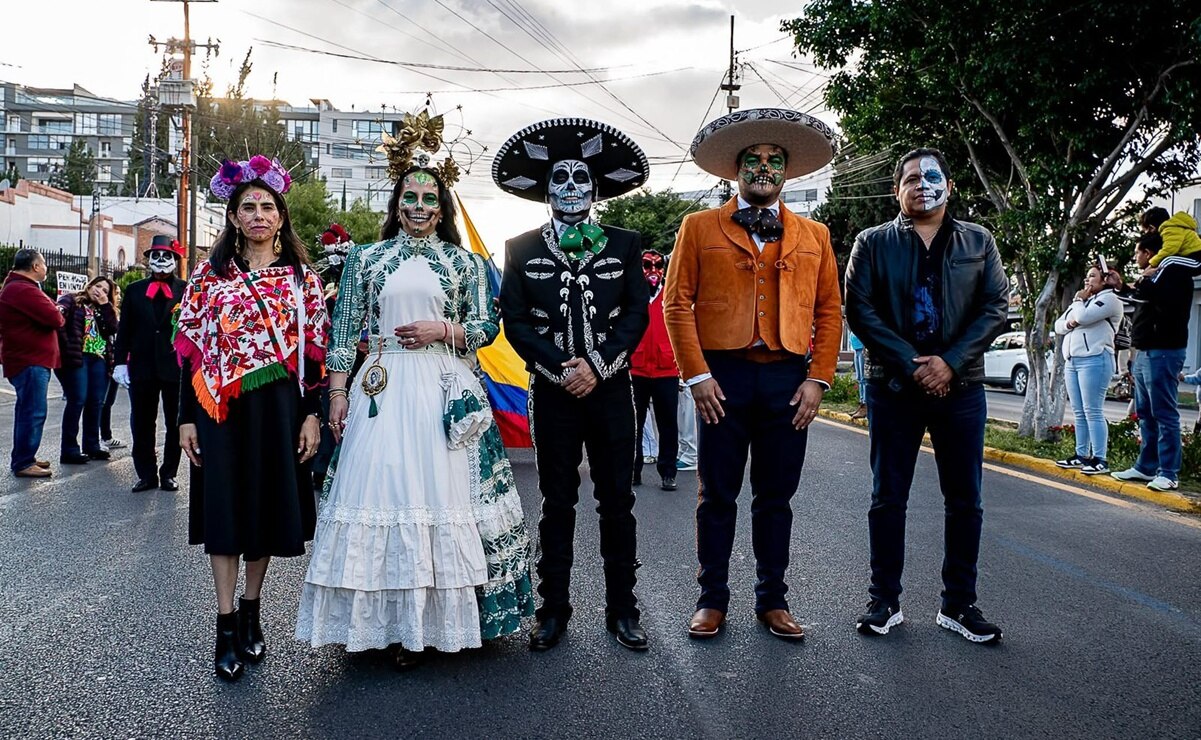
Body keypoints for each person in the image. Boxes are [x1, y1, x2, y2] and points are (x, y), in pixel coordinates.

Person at [296, 112, 535, 671]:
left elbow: (484, 329)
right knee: (383, 494)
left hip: (441, 388)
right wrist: (336, 393)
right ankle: (386, 627)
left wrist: (443, 331)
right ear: (396, 202)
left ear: (443, 207)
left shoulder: (466, 264)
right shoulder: (364, 259)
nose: (421, 206)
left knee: (440, 497)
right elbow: (342, 329)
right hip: (380, 389)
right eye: (411, 195)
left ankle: (439, 623)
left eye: (431, 197)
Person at [664, 108, 842, 642]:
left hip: (788, 380)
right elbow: (677, 305)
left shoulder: (816, 234)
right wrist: (696, 376)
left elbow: (830, 311)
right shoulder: (698, 227)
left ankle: (773, 600)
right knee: (716, 494)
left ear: (786, 172)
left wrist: (818, 378)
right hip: (724, 377)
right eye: (753, 160)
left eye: (774, 161)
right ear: (735, 170)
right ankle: (711, 599)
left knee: (775, 497)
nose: (764, 168)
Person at [495, 117, 651, 652]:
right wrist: (559, 366)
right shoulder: (519, 248)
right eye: (559, 178)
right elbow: (513, 320)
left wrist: (600, 363)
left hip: (610, 390)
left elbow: (636, 314)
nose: (570, 187)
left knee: (618, 501)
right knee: (557, 502)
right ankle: (552, 609)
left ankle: (623, 610)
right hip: (552, 389)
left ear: (594, 188)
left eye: (580, 178)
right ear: (545, 190)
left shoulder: (625, 243)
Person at [845, 148, 1009, 643]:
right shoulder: (872, 242)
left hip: (961, 388)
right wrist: (913, 364)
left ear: (950, 186)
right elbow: (860, 308)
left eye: (931, 177)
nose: (922, 185)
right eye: (911, 178)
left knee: (965, 500)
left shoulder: (979, 241)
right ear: (897, 190)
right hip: (893, 387)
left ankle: (959, 604)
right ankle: (883, 601)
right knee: (887, 496)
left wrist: (950, 362)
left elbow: (995, 306)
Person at [176, 155, 328, 682]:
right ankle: (222, 625)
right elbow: (191, 349)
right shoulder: (208, 276)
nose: (258, 214)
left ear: (281, 217)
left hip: (280, 411)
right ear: (234, 216)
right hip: (219, 409)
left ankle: (251, 611)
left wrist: (311, 415)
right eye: (248, 207)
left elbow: (317, 356)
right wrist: (186, 419)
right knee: (224, 511)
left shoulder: (304, 280)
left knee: (264, 508)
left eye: (267, 206)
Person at [1107, 232, 1201, 492]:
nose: (1136, 257)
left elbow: (1162, 301)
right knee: (1146, 413)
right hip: (1147, 350)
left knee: (1164, 412)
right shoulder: (1156, 276)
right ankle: (1146, 466)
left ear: (1149, 253)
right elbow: (1143, 299)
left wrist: (1146, 280)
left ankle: (1169, 472)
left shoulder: (1173, 271)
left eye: (1138, 252)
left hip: (1164, 350)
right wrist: (1122, 286)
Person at [113, 236, 187, 492]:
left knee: (174, 422)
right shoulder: (134, 290)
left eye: (166, 256)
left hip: (174, 367)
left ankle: (169, 472)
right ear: (148, 260)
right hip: (142, 367)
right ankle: (146, 474)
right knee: (142, 422)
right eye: (155, 256)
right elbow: (124, 330)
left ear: (175, 261)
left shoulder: (186, 290)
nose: (160, 260)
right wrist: (120, 362)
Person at [1053, 265, 1124, 476]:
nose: (1087, 280)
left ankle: (1100, 459)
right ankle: (1081, 454)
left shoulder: (1109, 300)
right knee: (1079, 411)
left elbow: (1082, 318)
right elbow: (1058, 326)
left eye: (1092, 276)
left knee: (1093, 410)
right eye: (1086, 276)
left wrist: (1077, 304)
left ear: (1104, 279)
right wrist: (1072, 319)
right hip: (1073, 361)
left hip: (1095, 359)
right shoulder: (1084, 301)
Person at [0, 249, 64, 478]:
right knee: (33, 412)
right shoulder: (22, 289)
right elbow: (55, 318)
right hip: (30, 361)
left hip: (29, 359)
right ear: (35, 266)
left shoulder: (18, 287)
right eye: (44, 263)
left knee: (27, 410)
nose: (46, 268)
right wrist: (58, 309)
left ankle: (24, 456)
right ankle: (24, 462)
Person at [54, 275, 118, 465]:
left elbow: (113, 329)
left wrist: (106, 305)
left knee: (96, 402)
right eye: (98, 286)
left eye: (105, 291)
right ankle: (69, 449)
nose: (100, 291)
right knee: (77, 400)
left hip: (99, 358)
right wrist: (66, 346)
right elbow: (58, 318)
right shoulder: (72, 300)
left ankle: (92, 445)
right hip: (78, 356)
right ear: (90, 286)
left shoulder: (104, 309)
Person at [631, 249, 680, 491]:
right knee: (633, 424)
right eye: (647, 265)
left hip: (667, 369)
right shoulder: (633, 295)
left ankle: (668, 472)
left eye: (658, 266)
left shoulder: (671, 295)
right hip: (636, 369)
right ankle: (633, 469)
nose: (653, 271)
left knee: (668, 424)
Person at [1139, 207, 1200, 278]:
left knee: (1169, 260)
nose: (1146, 235)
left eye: (1145, 231)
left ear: (1152, 228)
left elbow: (1169, 249)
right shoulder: (1175, 227)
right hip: (1193, 258)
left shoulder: (1169, 230)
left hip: (1197, 259)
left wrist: (1152, 264)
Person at [99, 284, 124, 451]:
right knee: (100, 402)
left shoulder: (114, 311)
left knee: (108, 401)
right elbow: (112, 328)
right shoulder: (99, 309)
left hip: (113, 361)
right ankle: (99, 438)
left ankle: (106, 436)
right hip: (101, 360)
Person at [849, 329, 867, 419]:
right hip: (856, 349)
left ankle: (865, 405)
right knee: (859, 378)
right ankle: (861, 403)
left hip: (862, 349)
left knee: (864, 379)